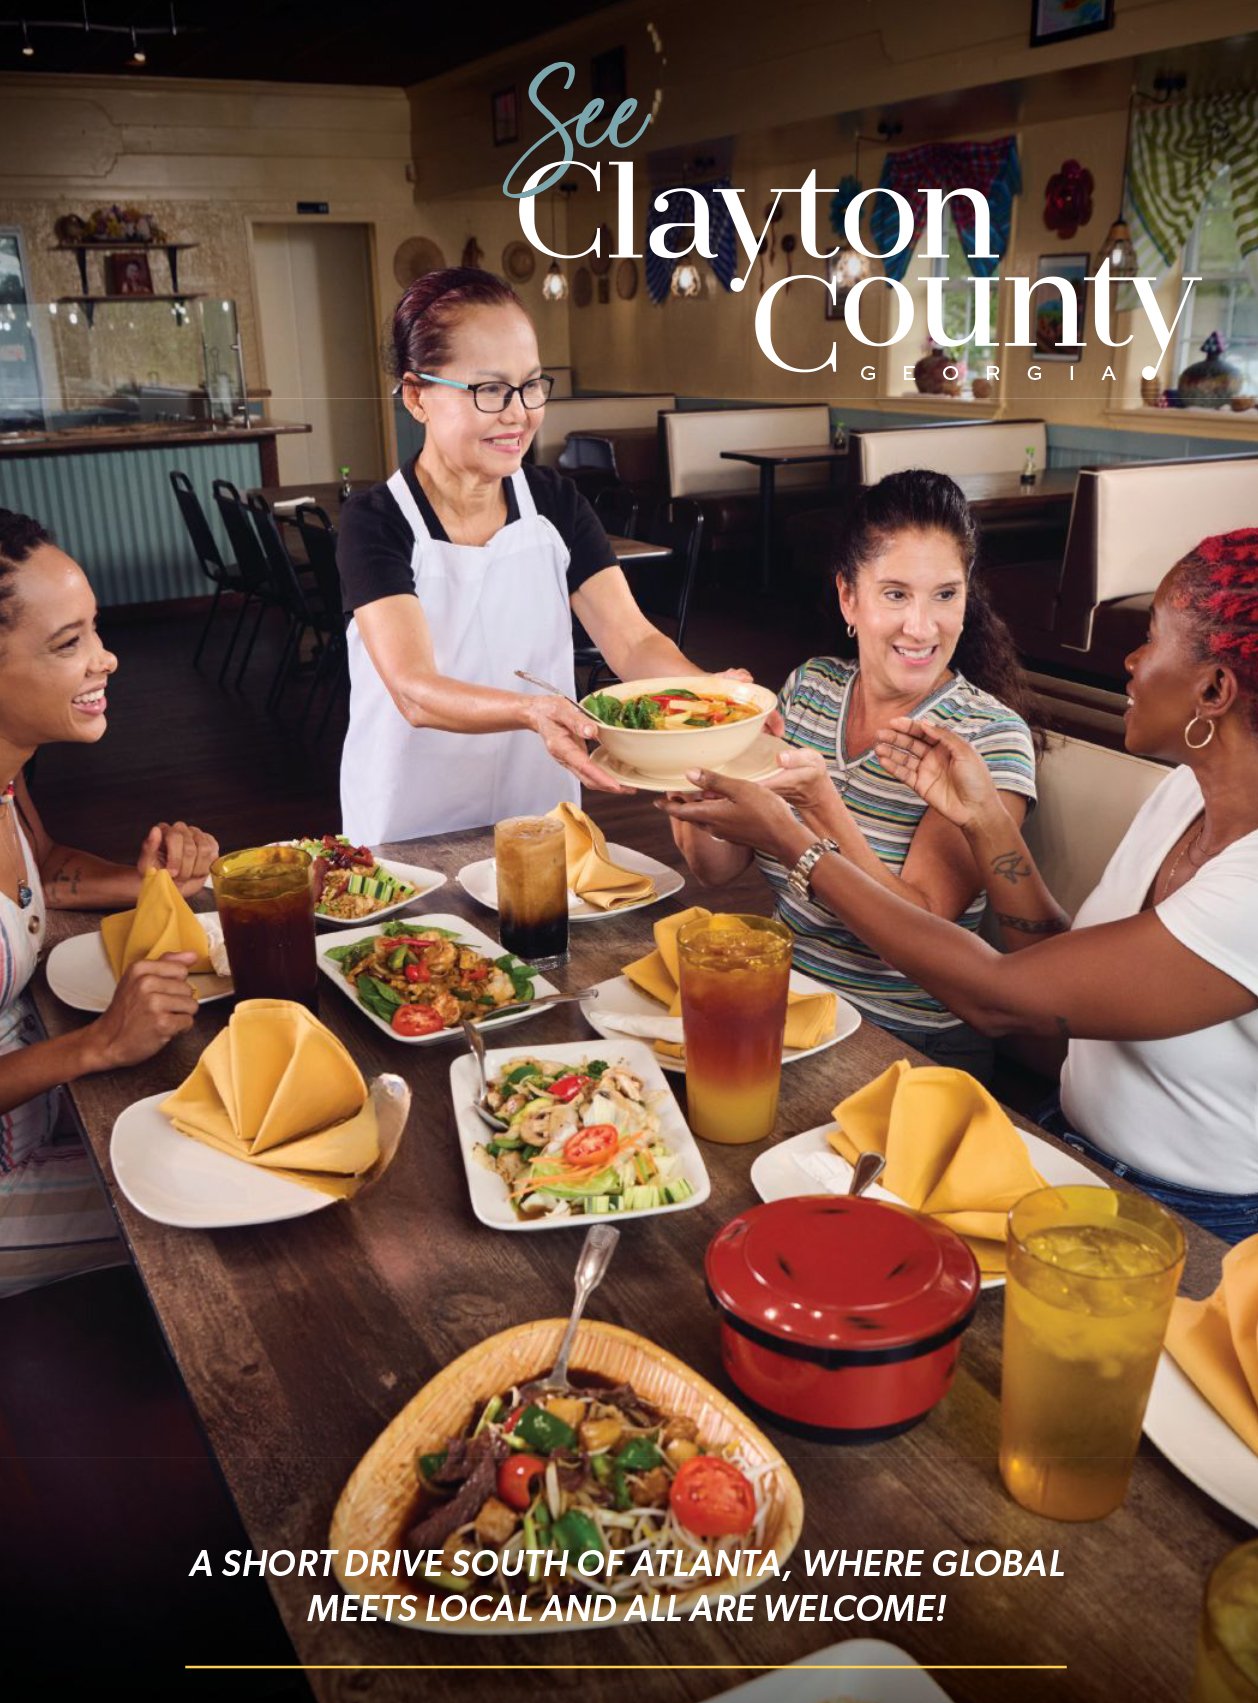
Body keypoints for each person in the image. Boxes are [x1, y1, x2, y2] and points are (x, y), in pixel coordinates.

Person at [658, 529, 1258, 1244]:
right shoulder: (1184, 796)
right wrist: (984, 823)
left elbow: (1000, 999)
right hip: (1066, 1147)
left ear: (1215, 689)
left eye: (1150, 639)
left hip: (1187, 1219)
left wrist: (799, 841)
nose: (1130, 661)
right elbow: (1060, 972)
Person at [337, 267, 738, 840]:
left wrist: (716, 704)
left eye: (530, 386)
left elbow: (632, 640)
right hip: (410, 820)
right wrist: (531, 711)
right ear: (416, 394)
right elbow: (413, 689)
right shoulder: (377, 520)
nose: (519, 412)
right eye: (491, 390)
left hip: (538, 812)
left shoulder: (553, 501)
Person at [667, 469, 1040, 1075]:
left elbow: (923, 936)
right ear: (849, 598)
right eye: (895, 594)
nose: (922, 626)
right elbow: (716, 868)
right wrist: (702, 753)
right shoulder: (812, 687)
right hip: (786, 1004)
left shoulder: (987, 738)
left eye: (945, 594)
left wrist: (820, 808)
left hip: (907, 1042)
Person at [0, 508, 217, 1295]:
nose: (108, 659)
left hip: (44, 1102)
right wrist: (96, 1047)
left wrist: (150, 883)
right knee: (217, 1206)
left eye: (94, 630)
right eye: (69, 644)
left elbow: (46, 866)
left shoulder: (7, 776)